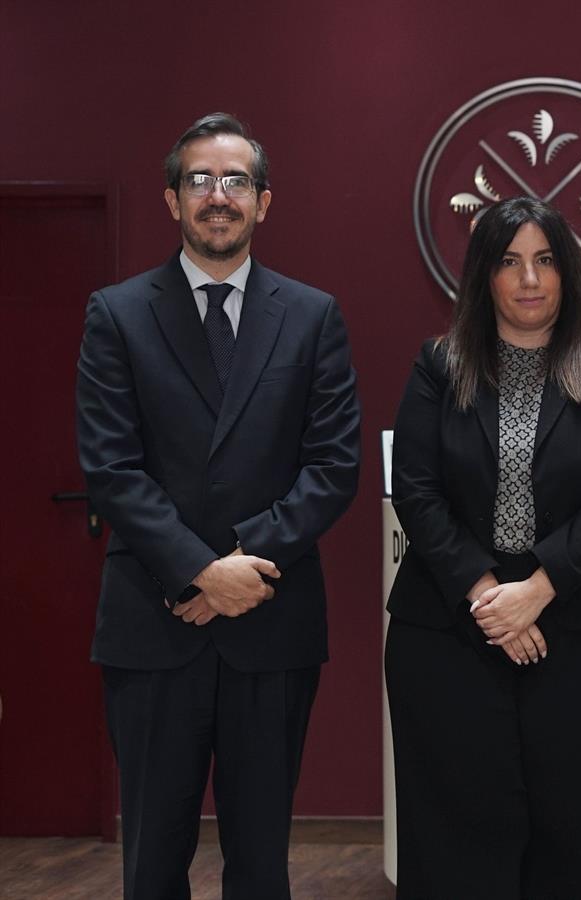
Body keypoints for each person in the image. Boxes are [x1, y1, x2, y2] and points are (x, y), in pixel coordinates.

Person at [75, 112, 361, 899]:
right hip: (152, 624)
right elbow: (111, 467)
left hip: (271, 625)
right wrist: (201, 572)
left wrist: (240, 569)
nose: (218, 195)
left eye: (236, 180)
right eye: (199, 179)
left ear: (263, 202)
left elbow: (334, 466)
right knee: (153, 862)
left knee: (262, 862)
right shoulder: (117, 313)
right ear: (173, 200)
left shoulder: (312, 316)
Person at [385, 196, 581, 898]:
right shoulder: (439, 364)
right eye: (509, 262)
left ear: (567, 272)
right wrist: (486, 594)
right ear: (484, 275)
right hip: (450, 632)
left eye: (545, 260)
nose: (529, 279)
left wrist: (537, 589)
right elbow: (415, 489)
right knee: (457, 840)